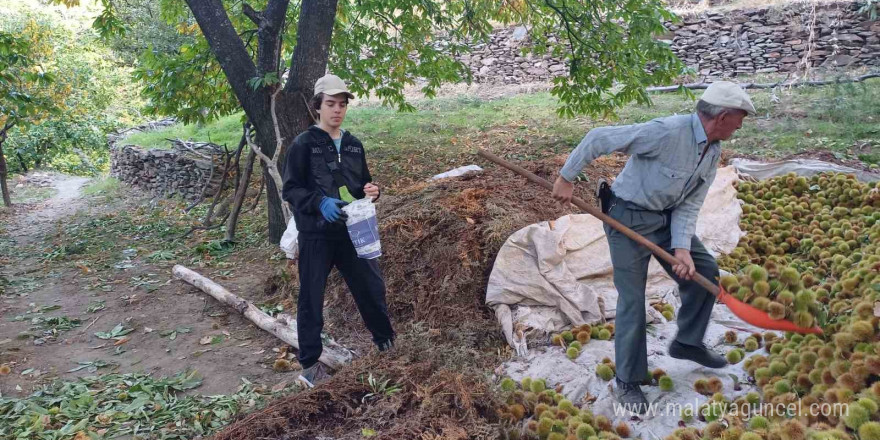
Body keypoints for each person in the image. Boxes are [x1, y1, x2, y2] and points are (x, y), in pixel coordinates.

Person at [551, 81, 756, 414]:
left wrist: (682, 248)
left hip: (666, 219)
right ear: (722, 116)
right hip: (626, 217)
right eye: (740, 118)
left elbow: (689, 205)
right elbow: (599, 137)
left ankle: (687, 342)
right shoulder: (666, 132)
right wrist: (566, 176)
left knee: (704, 270)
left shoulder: (713, 149)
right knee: (633, 300)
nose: (741, 125)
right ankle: (628, 380)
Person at [282, 74, 395, 388]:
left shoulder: (354, 145)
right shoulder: (303, 144)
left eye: (342, 105)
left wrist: (373, 191)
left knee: (371, 288)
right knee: (311, 297)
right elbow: (290, 189)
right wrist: (319, 203)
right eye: (330, 104)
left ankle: (387, 344)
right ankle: (310, 365)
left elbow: (362, 186)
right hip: (317, 234)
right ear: (318, 106)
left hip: (353, 231)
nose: (337, 110)